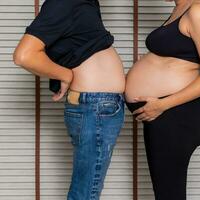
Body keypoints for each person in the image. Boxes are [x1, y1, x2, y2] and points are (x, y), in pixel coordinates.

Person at [13, 0, 125, 199]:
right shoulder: (65, 1)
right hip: (96, 107)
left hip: (98, 106)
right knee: (85, 194)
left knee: (85, 191)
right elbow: (24, 55)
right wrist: (64, 74)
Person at [125, 0, 200, 199]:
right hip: (162, 116)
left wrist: (162, 105)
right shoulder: (179, 9)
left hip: (176, 116)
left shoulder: (198, 10)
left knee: (169, 195)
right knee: (165, 194)